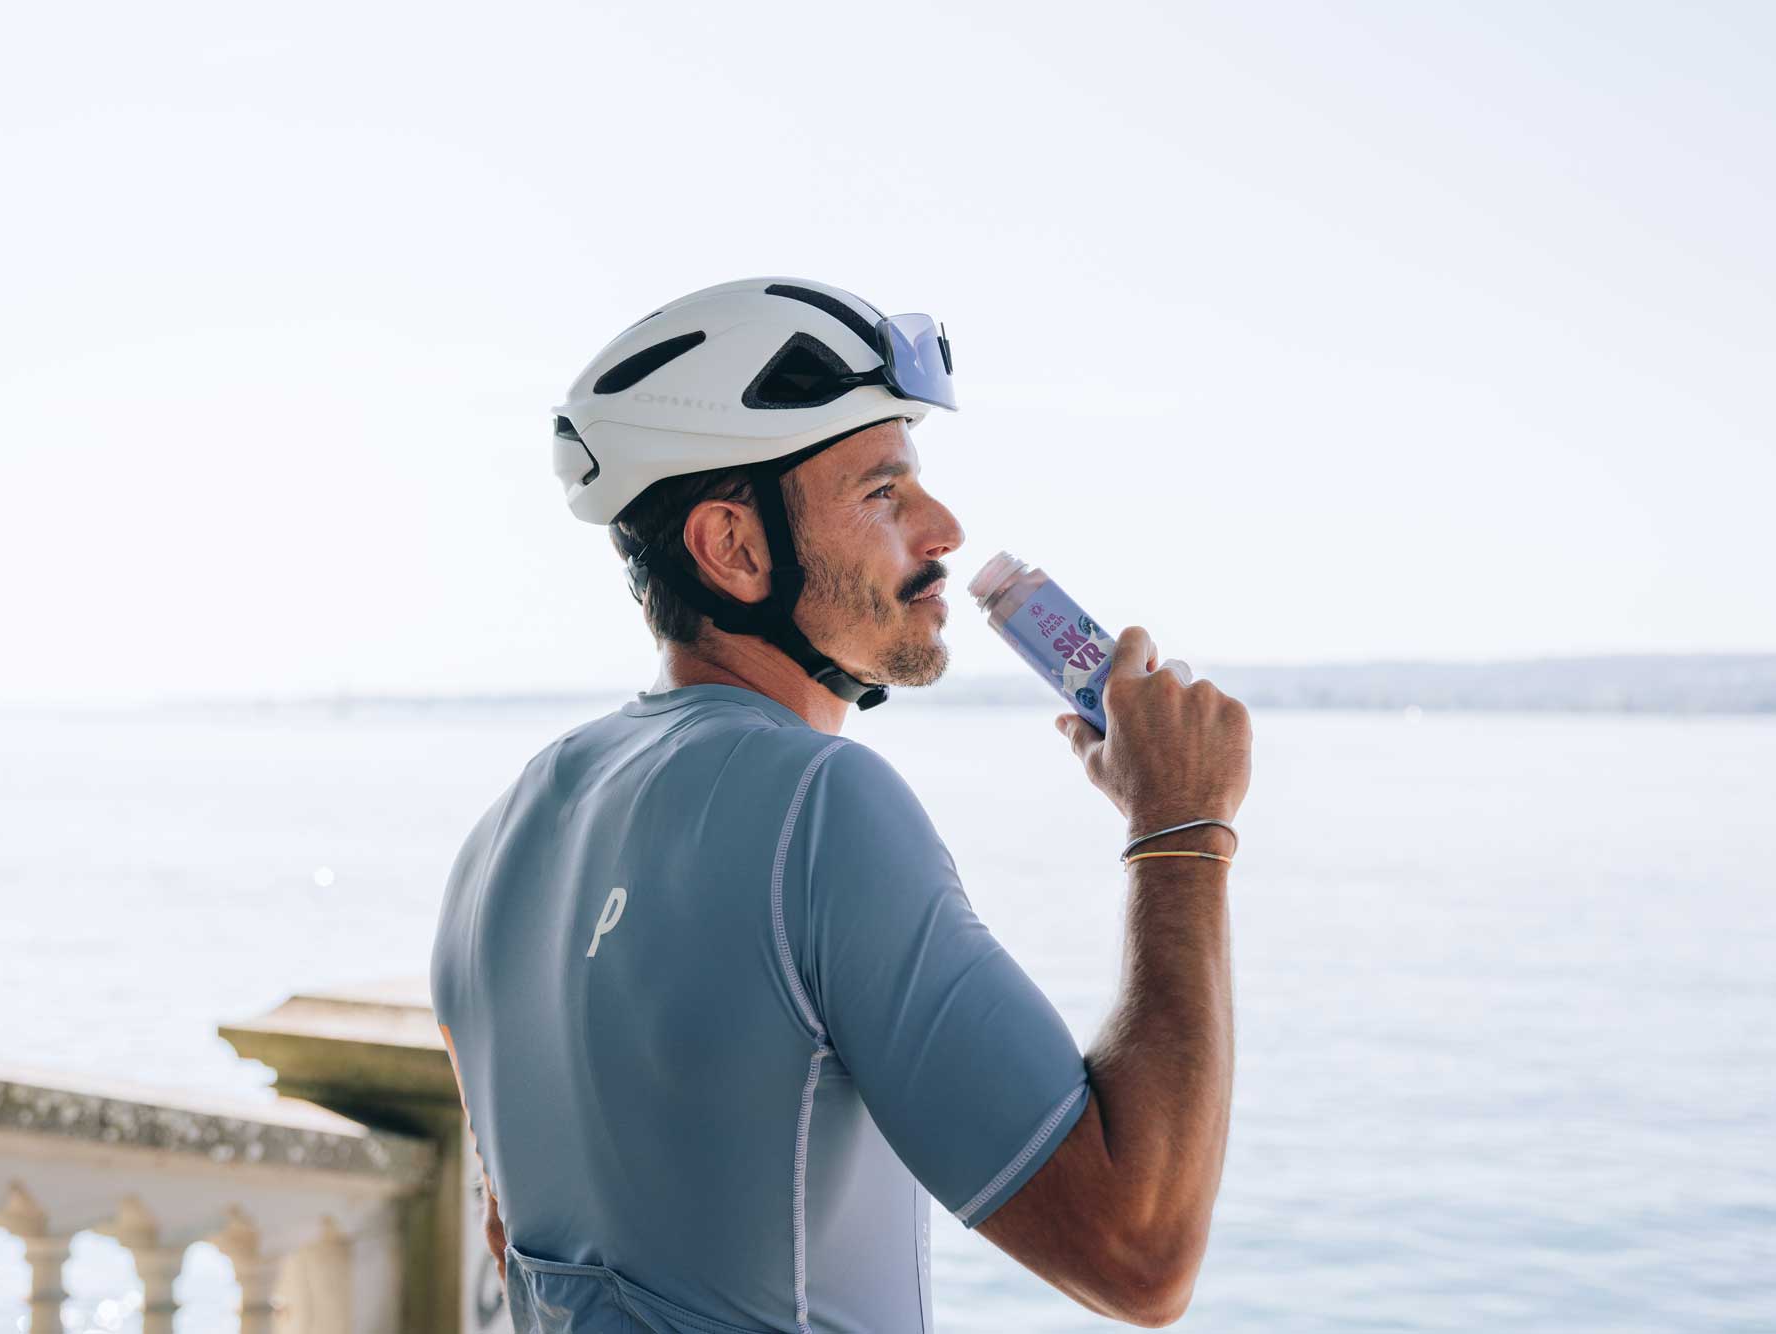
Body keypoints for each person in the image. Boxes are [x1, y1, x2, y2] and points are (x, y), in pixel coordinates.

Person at [430, 278, 1252, 1332]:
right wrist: (1181, 826)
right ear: (732, 546)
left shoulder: (499, 834)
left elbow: (511, 1233)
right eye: (882, 493)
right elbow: (1138, 1252)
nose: (944, 528)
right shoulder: (818, 803)